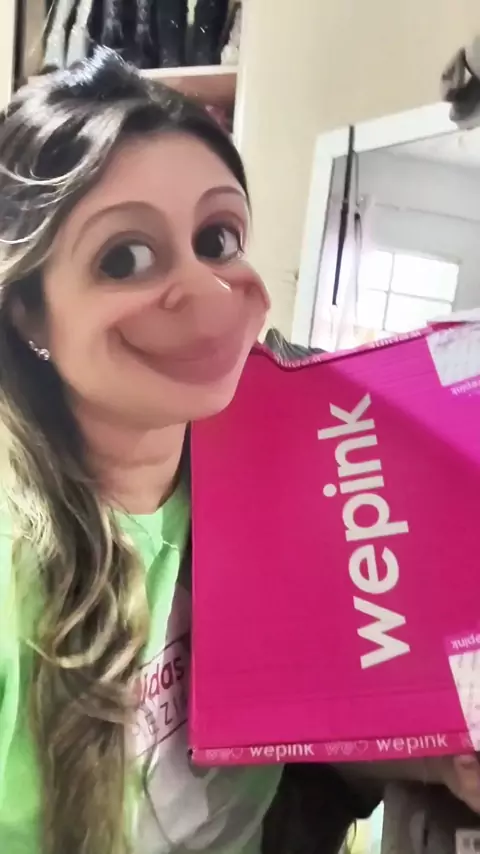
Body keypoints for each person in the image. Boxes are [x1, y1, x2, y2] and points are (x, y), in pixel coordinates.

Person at [0, 46, 478, 854]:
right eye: (125, 257)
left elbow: (313, 710)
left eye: (218, 238)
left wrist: (441, 760)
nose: (210, 289)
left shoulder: (307, 458)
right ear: (29, 313)